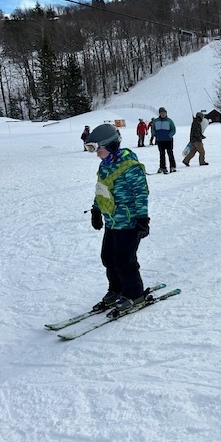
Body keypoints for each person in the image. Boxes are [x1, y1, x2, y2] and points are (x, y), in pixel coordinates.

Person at [83, 124, 150, 314]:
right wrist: (96, 210)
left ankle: (134, 294)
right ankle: (116, 289)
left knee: (124, 260)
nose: (96, 154)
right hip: (111, 222)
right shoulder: (104, 166)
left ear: (110, 146)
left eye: (98, 150)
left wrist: (143, 219)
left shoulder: (130, 167)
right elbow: (101, 190)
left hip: (129, 222)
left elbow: (141, 194)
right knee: (108, 258)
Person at [152, 107, 177, 173]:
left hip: (168, 140)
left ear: (166, 113)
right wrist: (155, 135)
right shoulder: (156, 121)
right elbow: (153, 129)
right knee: (162, 154)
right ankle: (162, 167)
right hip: (160, 140)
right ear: (159, 114)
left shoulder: (169, 121)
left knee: (170, 153)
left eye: (164, 113)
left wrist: (169, 135)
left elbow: (173, 130)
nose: (163, 114)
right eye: (161, 113)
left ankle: (172, 167)